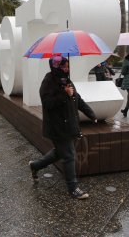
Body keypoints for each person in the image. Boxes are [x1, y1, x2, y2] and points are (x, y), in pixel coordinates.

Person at [28, 55, 97, 199]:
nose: (67, 69)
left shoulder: (67, 80)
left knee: (60, 153)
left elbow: (77, 99)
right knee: (69, 155)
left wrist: (91, 114)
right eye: (64, 66)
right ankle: (73, 188)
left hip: (70, 125)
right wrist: (64, 94)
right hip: (57, 127)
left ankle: (35, 166)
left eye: (67, 66)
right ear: (55, 66)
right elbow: (47, 103)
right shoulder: (48, 81)